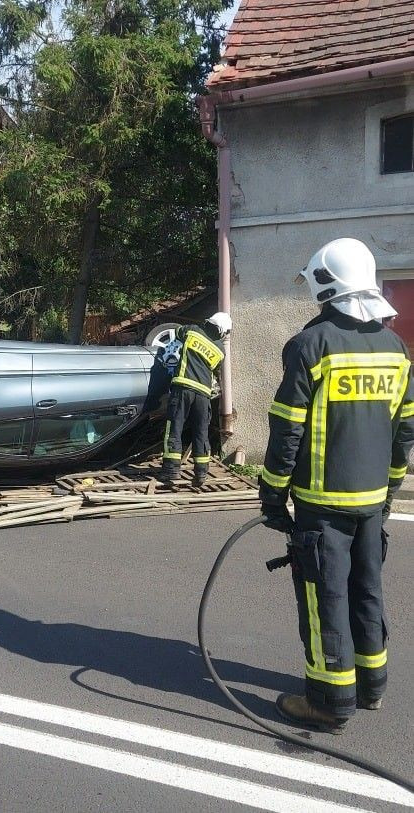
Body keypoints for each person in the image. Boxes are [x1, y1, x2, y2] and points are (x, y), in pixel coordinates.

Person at [259, 237, 414, 733]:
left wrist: (272, 493)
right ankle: (371, 689)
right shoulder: (394, 348)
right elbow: (405, 430)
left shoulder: (310, 346)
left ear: (324, 283)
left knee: (326, 598)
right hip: (371, 503)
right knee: (366, 591)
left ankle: (329, 703)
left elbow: (287, 429)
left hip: (322, 507)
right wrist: (389, 491)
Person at [160, 312, 231, 485]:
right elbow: (216, 372)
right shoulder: (220, 351)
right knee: (201, 433)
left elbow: (177, 333)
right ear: (223, 331)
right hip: (203, 396)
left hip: (183, 388)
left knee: (175, 428)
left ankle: (171, 472)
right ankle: (200, 474)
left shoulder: (192, 331)